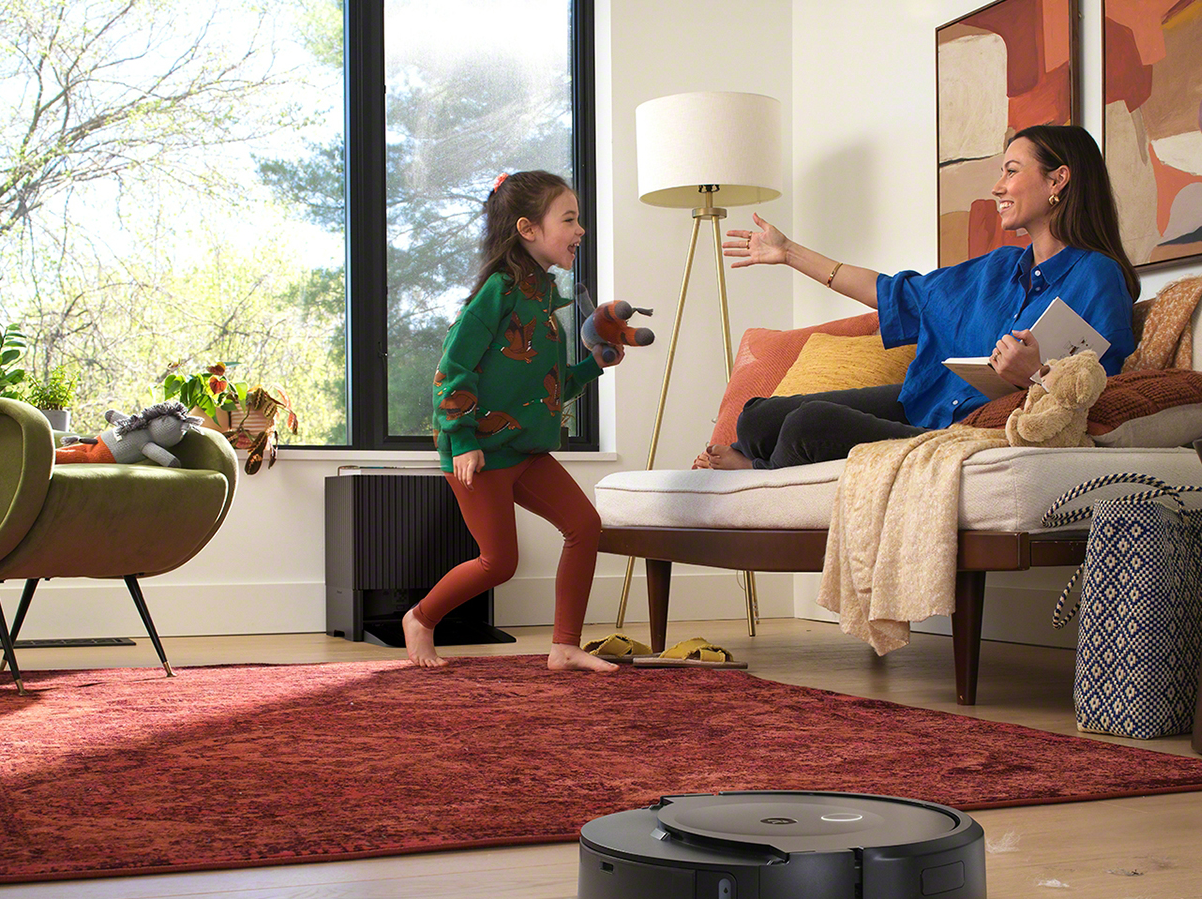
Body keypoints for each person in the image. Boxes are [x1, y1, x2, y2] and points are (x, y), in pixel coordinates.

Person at [697, 124, 1139, 471]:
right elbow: (893, 293)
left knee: (806, 426)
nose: (997, 186)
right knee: (756, 416)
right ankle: (760, 462)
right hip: (923, 406)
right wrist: (789, 252)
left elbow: (1097, 388)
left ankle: (759, 470)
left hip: (970, 431)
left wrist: (1035, 376)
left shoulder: (1096, 276)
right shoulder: (997, 268)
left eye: (1011, 170)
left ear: (1057, 179)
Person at [406, 170, 623, 671]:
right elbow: (452, 368)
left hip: (525, 449)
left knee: (585, 525)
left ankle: (565, 645)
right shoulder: (500, 291)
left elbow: (546, 388)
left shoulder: (545, 303)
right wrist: (461, 440)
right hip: (479, 451)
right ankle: (419, 619)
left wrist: (594, 364)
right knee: (499, 563)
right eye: (569, 219)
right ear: (528, 229)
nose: (580, 231)